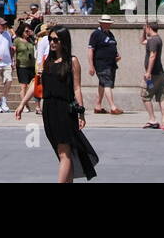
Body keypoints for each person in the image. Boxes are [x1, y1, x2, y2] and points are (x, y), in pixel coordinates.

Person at [14, 26, 98, 183]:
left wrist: (81, 113)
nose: (52, 42)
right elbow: (36, 83)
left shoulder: (72, 61)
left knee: (64, 152)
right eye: (50, 39)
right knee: (61, 152)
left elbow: (77, 88)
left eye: (55, 40)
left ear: (63, 41)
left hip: (64, 110)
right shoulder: (48, 61)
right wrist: (22, 104)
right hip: (49, 110)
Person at [87, 15, 121, 115]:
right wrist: (91, 65)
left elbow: (112, 46)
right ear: (101, 23)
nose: (108, 25)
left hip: (111, 64)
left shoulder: (110, 34)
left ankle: (98, 106)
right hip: (101, 64)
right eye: (106, 23)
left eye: (109, 23)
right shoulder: (96, 34)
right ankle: (113, 107)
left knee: (102, 83)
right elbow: (90, 50)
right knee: (107, 84)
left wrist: (116, 55)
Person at [140, 20, 164, 131]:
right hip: (160, 73)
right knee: (161, 96)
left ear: (149, 27)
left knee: (145, 95)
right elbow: (142, 41)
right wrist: (143, 31)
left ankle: (152, 119)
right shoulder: (157, 39)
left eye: (145, 28)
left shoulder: (152, 41)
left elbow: (152, 56)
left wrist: (148, 72)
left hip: (153, 75)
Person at [13, 23, 38, 115]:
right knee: (24, 86)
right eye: (26, 31)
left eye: (29, 31)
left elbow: (38, 43)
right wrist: (12, 61)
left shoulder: (31, 40)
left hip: (32, 65)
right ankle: (25, 105)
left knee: (33, 85)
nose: (27, 32)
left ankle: (31, 104)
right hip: (22, 65)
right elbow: (13, 51)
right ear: (22, 31)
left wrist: (33, 35)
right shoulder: (17, 41)